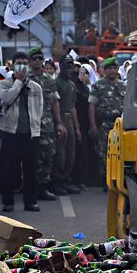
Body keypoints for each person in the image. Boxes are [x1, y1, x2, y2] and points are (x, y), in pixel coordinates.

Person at [0, 51, 42, 212]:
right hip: (10, 130)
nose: (22, 65)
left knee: (31, 168)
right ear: (13, 64)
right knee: (9, 168)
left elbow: (40, 108)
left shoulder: (35, 86)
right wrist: (18, 82)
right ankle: (8, 202)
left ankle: (30, 201)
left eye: (24, 62)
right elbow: (6, 99)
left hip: (30, 132)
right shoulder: (4, 84)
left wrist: (36, 126)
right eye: (18, 62)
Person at [27, 47, 63, 200]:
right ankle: (30, 188)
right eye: (34, 58)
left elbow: (55, 101)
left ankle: (43, 187)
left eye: (40, 58)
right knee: (31, 157)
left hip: (47, 123)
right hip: (29, 124)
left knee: (48, 155)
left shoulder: (49, 79)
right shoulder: (25, 78)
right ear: (29, 61)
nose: (37, 61)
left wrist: (59, 122)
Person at [88, 57, 124, 188]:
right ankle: (105, 179)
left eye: (115, 68)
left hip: (120, 125)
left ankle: (118, 179)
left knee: (120, 152)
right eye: (109, 68)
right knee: (104, 152)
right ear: (104, 70)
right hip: (104, 124)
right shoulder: (98, 85)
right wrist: (93, 125)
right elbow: (92, 105)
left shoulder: (123, 85)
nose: (112, 71)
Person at [53, 56, 82, 195]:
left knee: (71, 153)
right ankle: (57, 182)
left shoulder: (71, 84)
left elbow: (73, 107)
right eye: (67, 64)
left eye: (71, 64)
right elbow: (55, 104)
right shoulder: (56, 83)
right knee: (61, 153)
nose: (70, 67)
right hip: (61, 118)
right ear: (61, 66)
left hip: (70, 119)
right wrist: (58, 122)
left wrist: (77, 127)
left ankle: (65, 180)